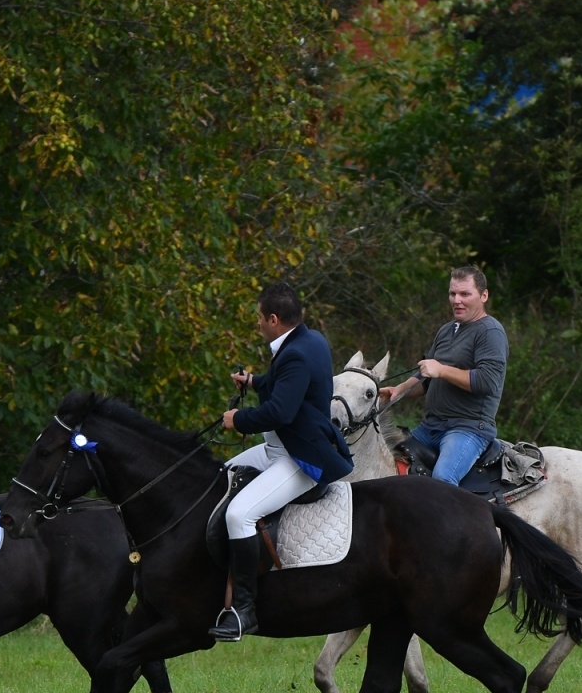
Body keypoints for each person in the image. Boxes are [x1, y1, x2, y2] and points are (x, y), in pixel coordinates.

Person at [210, 282, 353, 642]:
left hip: (301, 459)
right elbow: (286, 383)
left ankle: (244, 612)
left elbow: (280, 411)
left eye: (260, 318)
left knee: (237, 514)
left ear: (273, 319)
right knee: (219, 476)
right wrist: (254, 380)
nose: (258, 324)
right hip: (278, 449)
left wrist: (237, 420)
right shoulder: (308, 340)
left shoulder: (295, 353)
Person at [377, 265, 508, 486]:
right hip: (431, 427)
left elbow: (488, 382)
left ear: (483, 295)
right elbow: (427, 379)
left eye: (465, 294)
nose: (457, 300)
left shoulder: (490, 332)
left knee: (441, 481)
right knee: (388, 465)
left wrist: (442, 370)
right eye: (453, 293)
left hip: (469, 429)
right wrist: (399, 391)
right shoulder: (447, 330)